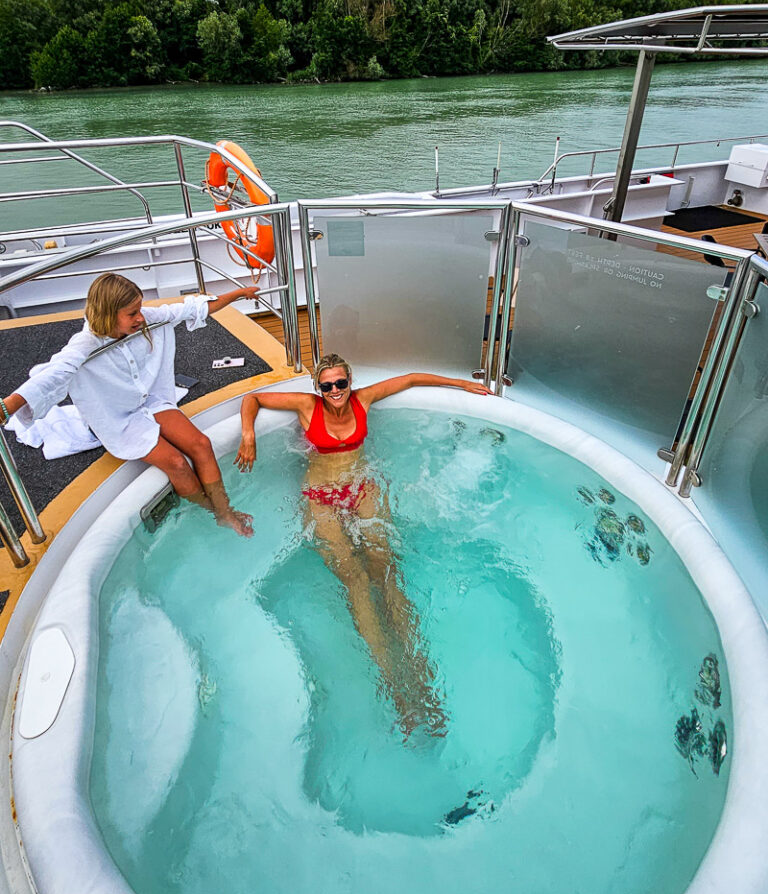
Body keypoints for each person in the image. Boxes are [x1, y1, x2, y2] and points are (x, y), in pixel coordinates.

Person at [236, 353, 490, 735]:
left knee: (386, 570)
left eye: (341, 383)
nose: (335, 391)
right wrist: (248, 434)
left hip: (362, 488)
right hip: (321, 495)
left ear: (350, 381)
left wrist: (462, 384)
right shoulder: (307, 406)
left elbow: (410, 378)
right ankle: (394, 684)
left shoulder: (363, 399)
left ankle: (421, 676)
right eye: (327, 386)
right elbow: (252, 399)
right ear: (317, 388)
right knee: (354, 577)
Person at [0, 272, 257, 536]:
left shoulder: (143, 318)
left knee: (201, 445)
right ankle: (209, 515)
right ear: (109, 315)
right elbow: (54, 374)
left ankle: (225, 513)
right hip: (118, 418)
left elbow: (191, 308)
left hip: (150, 401)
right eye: (132, 313)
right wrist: (7, 407)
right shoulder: (85, 344)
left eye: (139, 309)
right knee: (177, 463)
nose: (141, 318)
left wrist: (238, 294)